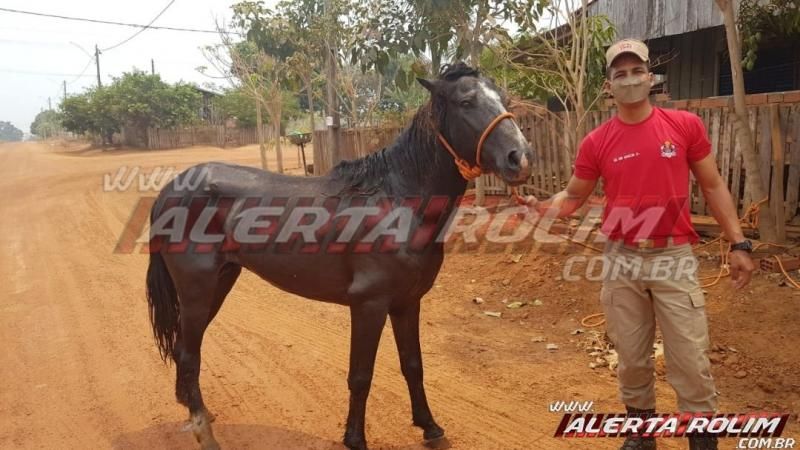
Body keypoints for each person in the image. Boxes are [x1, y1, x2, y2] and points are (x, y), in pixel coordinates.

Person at [531, 39, 756, 450]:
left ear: (651, 77)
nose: (630, 80)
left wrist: (739, 243)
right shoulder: (596, 142)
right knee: (632, 357)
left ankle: (701, 439)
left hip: (674, 256)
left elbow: (713, 184)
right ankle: (641, 433)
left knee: (689, 358)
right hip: (620, 260)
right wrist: (541, 208)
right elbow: (573, 196)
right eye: (621, 74)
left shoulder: (684, 125)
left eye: (638, 72)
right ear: (608, 86)